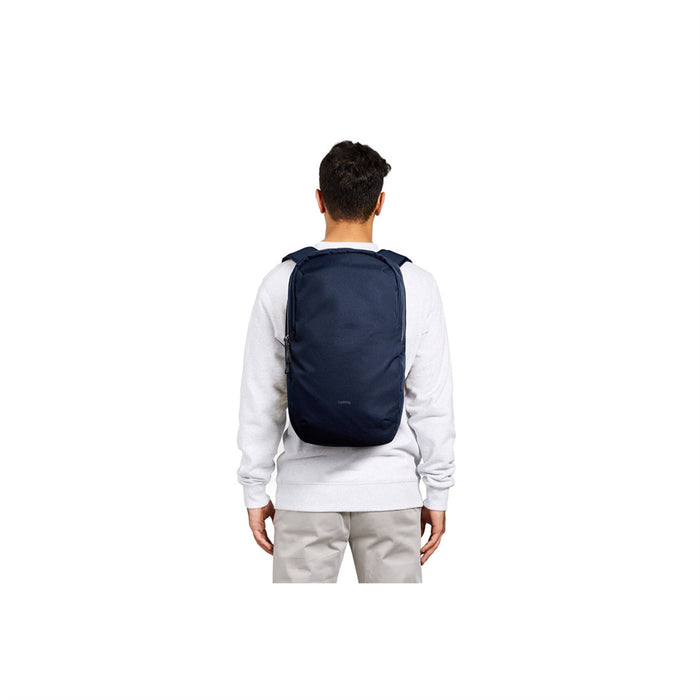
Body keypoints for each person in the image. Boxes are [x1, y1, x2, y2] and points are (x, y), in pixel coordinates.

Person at [236, 140, 456, 583]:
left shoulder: (282, 280)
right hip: (392, 493)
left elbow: (263, 397)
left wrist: (254, 487)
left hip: (305, 495)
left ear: (320, 200)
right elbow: (431, 401)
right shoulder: (416, 282)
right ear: (380, 203)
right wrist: (438, 490)